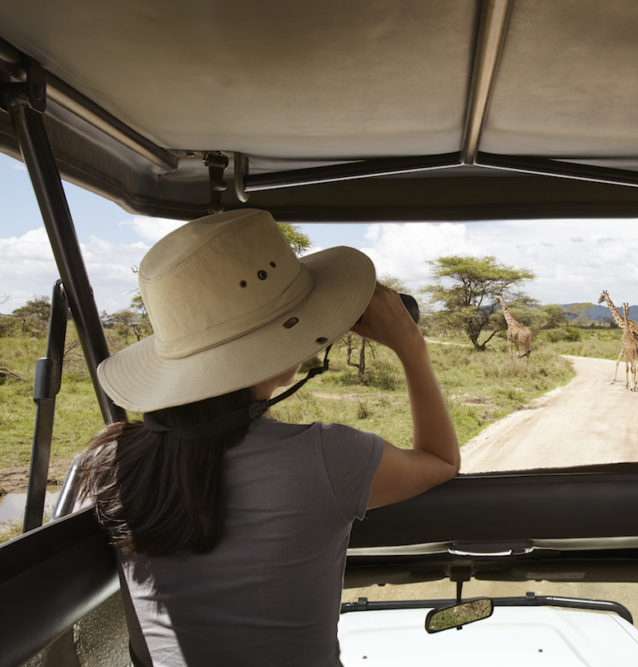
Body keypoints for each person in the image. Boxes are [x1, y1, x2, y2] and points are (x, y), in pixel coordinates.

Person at [77, 208, 459, 666]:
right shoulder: (328, 455)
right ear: (281, 346)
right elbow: (440, 460)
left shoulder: (107, 461)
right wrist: (410, 347)